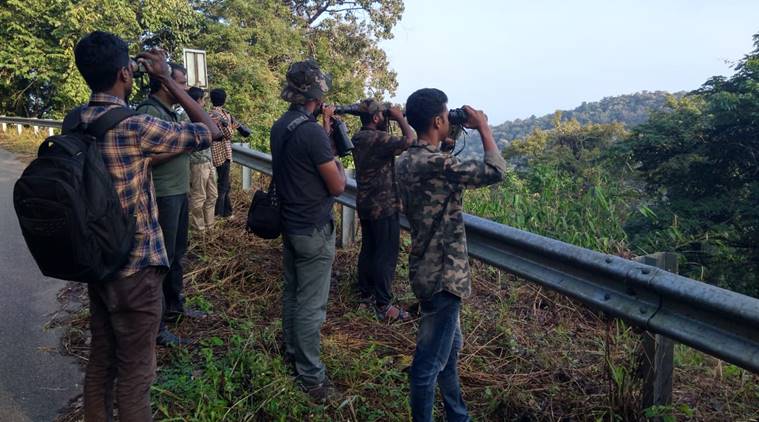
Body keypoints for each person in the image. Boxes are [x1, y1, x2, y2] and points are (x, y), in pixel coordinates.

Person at [72, 31, 221, 422]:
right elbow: (210, 130)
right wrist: (170, 79)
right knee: (137, 374)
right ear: (126, 73)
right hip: (135, 267)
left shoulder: (76, 122)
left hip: (96, 262)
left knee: (102, 360)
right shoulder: (136, 126)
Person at [396, 88, 507, 422]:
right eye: (445, 116)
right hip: (445, 275)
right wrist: (484, 127)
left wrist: (449, 130)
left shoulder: (407, 159)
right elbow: (495, 171)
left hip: (424, 268)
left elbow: (438, 159)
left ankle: (458, 416)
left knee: (449, 352)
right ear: (436, 120)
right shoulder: (438, 164)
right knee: (427, 365)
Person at [270, 59, 346, 401]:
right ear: (317, 92)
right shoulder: (312, 132)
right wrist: (338, 160)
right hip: (313, 228)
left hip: (290, 222)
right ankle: (312, 378)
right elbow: (337, 186)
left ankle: (291, 352)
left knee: (292, 292)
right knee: (311, 305)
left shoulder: (281, 124)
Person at [137, 65, 207, 347]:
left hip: (179, 192)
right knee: (161, 261)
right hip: (162, 194)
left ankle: (176, 307)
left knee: (177, 254)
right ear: (166, 85)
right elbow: (144, 157)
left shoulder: (171, 114)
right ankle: (158, 323)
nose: (184, 88)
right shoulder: (148, 112)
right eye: (180, 83)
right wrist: (183, 145)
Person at [351, 99, 414, 321]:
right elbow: (410, 140)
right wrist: (399, 117)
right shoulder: (378, 139)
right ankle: (384, 304)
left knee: (369, 249)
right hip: (384, 205)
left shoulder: (359, 138)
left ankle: (365, 293)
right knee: (386, 255)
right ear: (377, 118)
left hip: (365, 203)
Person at [187, 87, 218, 231]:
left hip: (208, 160)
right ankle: (199, 231)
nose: (204, 102)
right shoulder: (187, 117)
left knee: (213, 195)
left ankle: (210, 227)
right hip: (197, 162)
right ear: (198, 100)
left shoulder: (201, 115)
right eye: (203, 99)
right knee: (199, 197)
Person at [209, 88, 239, 218]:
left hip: (216, 152)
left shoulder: (209, 113)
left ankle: (227, 212)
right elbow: (229, 134)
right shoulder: (221, 115)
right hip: (223, 153)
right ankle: (219, 214)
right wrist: (232, 128)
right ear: (224, 99)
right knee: (223, 185)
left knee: (224, 183)